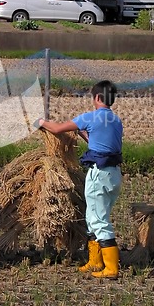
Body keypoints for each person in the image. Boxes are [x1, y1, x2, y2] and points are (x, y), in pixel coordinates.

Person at [36, 80, 123, 279]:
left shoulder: (90, 117)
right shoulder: (116, 120)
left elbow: (57, 129)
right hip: (114, 175)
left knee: (98, 221)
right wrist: (83, 133)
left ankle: (111, 268)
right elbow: (99, 143)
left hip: (99, 174)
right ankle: (95, 262)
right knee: (94, 217)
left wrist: (40, 122)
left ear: (98, 98)